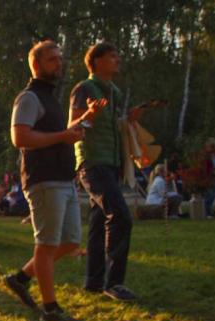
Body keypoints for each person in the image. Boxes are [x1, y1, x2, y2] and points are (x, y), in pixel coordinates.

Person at [4, 40, 93, 321]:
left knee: (69, 242)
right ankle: (51, 310)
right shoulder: (29, 97)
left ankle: (20, 279)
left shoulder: (51, 98)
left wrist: (84, 120)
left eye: (60, 58)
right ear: (37, 64)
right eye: (53, 59)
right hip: (44, 180)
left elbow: (60, 134)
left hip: (63, 178)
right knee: (46, 245)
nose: (60, 63)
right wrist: (62, 137)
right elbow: (20, 138)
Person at [70, 42, 145, 301]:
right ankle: (114, 283)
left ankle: (93, 281)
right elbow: (73, 126)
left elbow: (112, 127)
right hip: (92, 162)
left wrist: (129, 120)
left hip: (111, 161)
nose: (118, 59)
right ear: (97, 61)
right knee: (121, 216)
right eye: (113, 56)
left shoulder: (114, 92)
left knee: (99, 221)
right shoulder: (84, 88)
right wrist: (90, 113)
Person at [201, 137, 215, 218]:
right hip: (208, 177)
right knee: (209, 195)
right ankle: (206, 212)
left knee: (213, 195)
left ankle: (208, 211)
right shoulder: (206, 157)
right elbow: (205, 168)